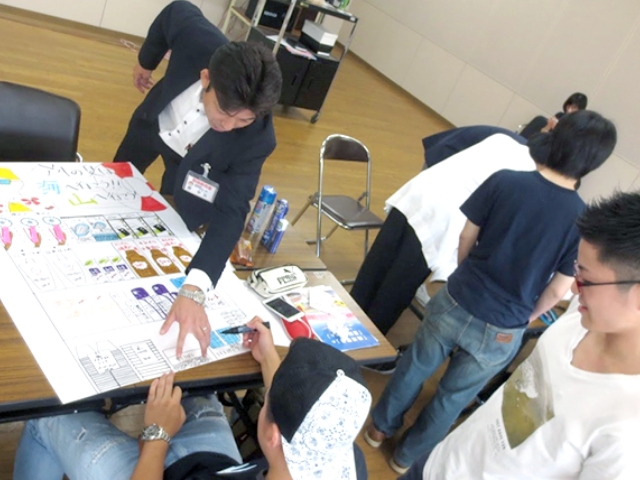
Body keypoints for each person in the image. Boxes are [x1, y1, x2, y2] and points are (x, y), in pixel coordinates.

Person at [363, 110, 617, 474]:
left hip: (459, 297)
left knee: (415, 366)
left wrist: (465, 273)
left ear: (555, 140)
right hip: (504, 325)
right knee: (452, 398)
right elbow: (558, 289)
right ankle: (405, 458)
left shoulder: (505, 180)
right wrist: (527, 316)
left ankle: (378, 430)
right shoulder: (582, 223)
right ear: (594, 163)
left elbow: (467, 235)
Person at [400, 190, 640, 479]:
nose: (574, 289)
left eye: (585, 280)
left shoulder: (628, 432)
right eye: (576, 271)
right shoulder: (582, 316)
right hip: (441, 461)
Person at [113, 1, 283, 358]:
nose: (229, 126)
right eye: (224, 111)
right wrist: (146, 61)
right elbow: (174, 11)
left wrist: (195, 288)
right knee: (116, 184)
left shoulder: (258, 138)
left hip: (195, 167)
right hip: (153, 127)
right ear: (207, 79)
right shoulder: (196, 38)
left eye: (243, 120)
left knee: (174, 214)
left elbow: (232, 211)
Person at [13, 318, 372, 480]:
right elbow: (305, 416)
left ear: (273, 435)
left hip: (157, 466)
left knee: (49, 415)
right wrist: (268, 358)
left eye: (267, 401)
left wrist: (157, 436)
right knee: (198, 388)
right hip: (214, 466)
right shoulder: (346, 459)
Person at [351, 133, 536, 341]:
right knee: (395, 288)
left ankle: (341, 325)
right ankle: (364, 344)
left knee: (376, 265)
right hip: (443, 216)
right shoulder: (529, 176)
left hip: (418, 192)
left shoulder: (503, 139)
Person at [520, 92, 588, 139]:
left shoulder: (578, 127)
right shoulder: (560, 115)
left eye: (573, 108)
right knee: (539, 119)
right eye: (569, 106)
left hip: (553, 152)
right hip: (543, 144)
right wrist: (548, 126)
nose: (569, 110)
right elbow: (542, 134)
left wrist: (557, 130)